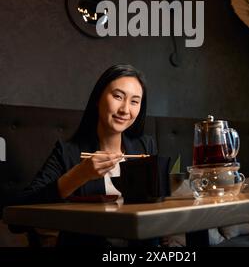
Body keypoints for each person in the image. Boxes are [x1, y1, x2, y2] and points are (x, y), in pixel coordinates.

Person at [8, 64, 157, 246]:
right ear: (98, 98)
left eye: (135, 101)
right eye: (118, 96)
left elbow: (154, 206)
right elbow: (16, 216)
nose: (125, 110)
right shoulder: (68, 152)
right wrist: (80, 175)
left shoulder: (145, 146)